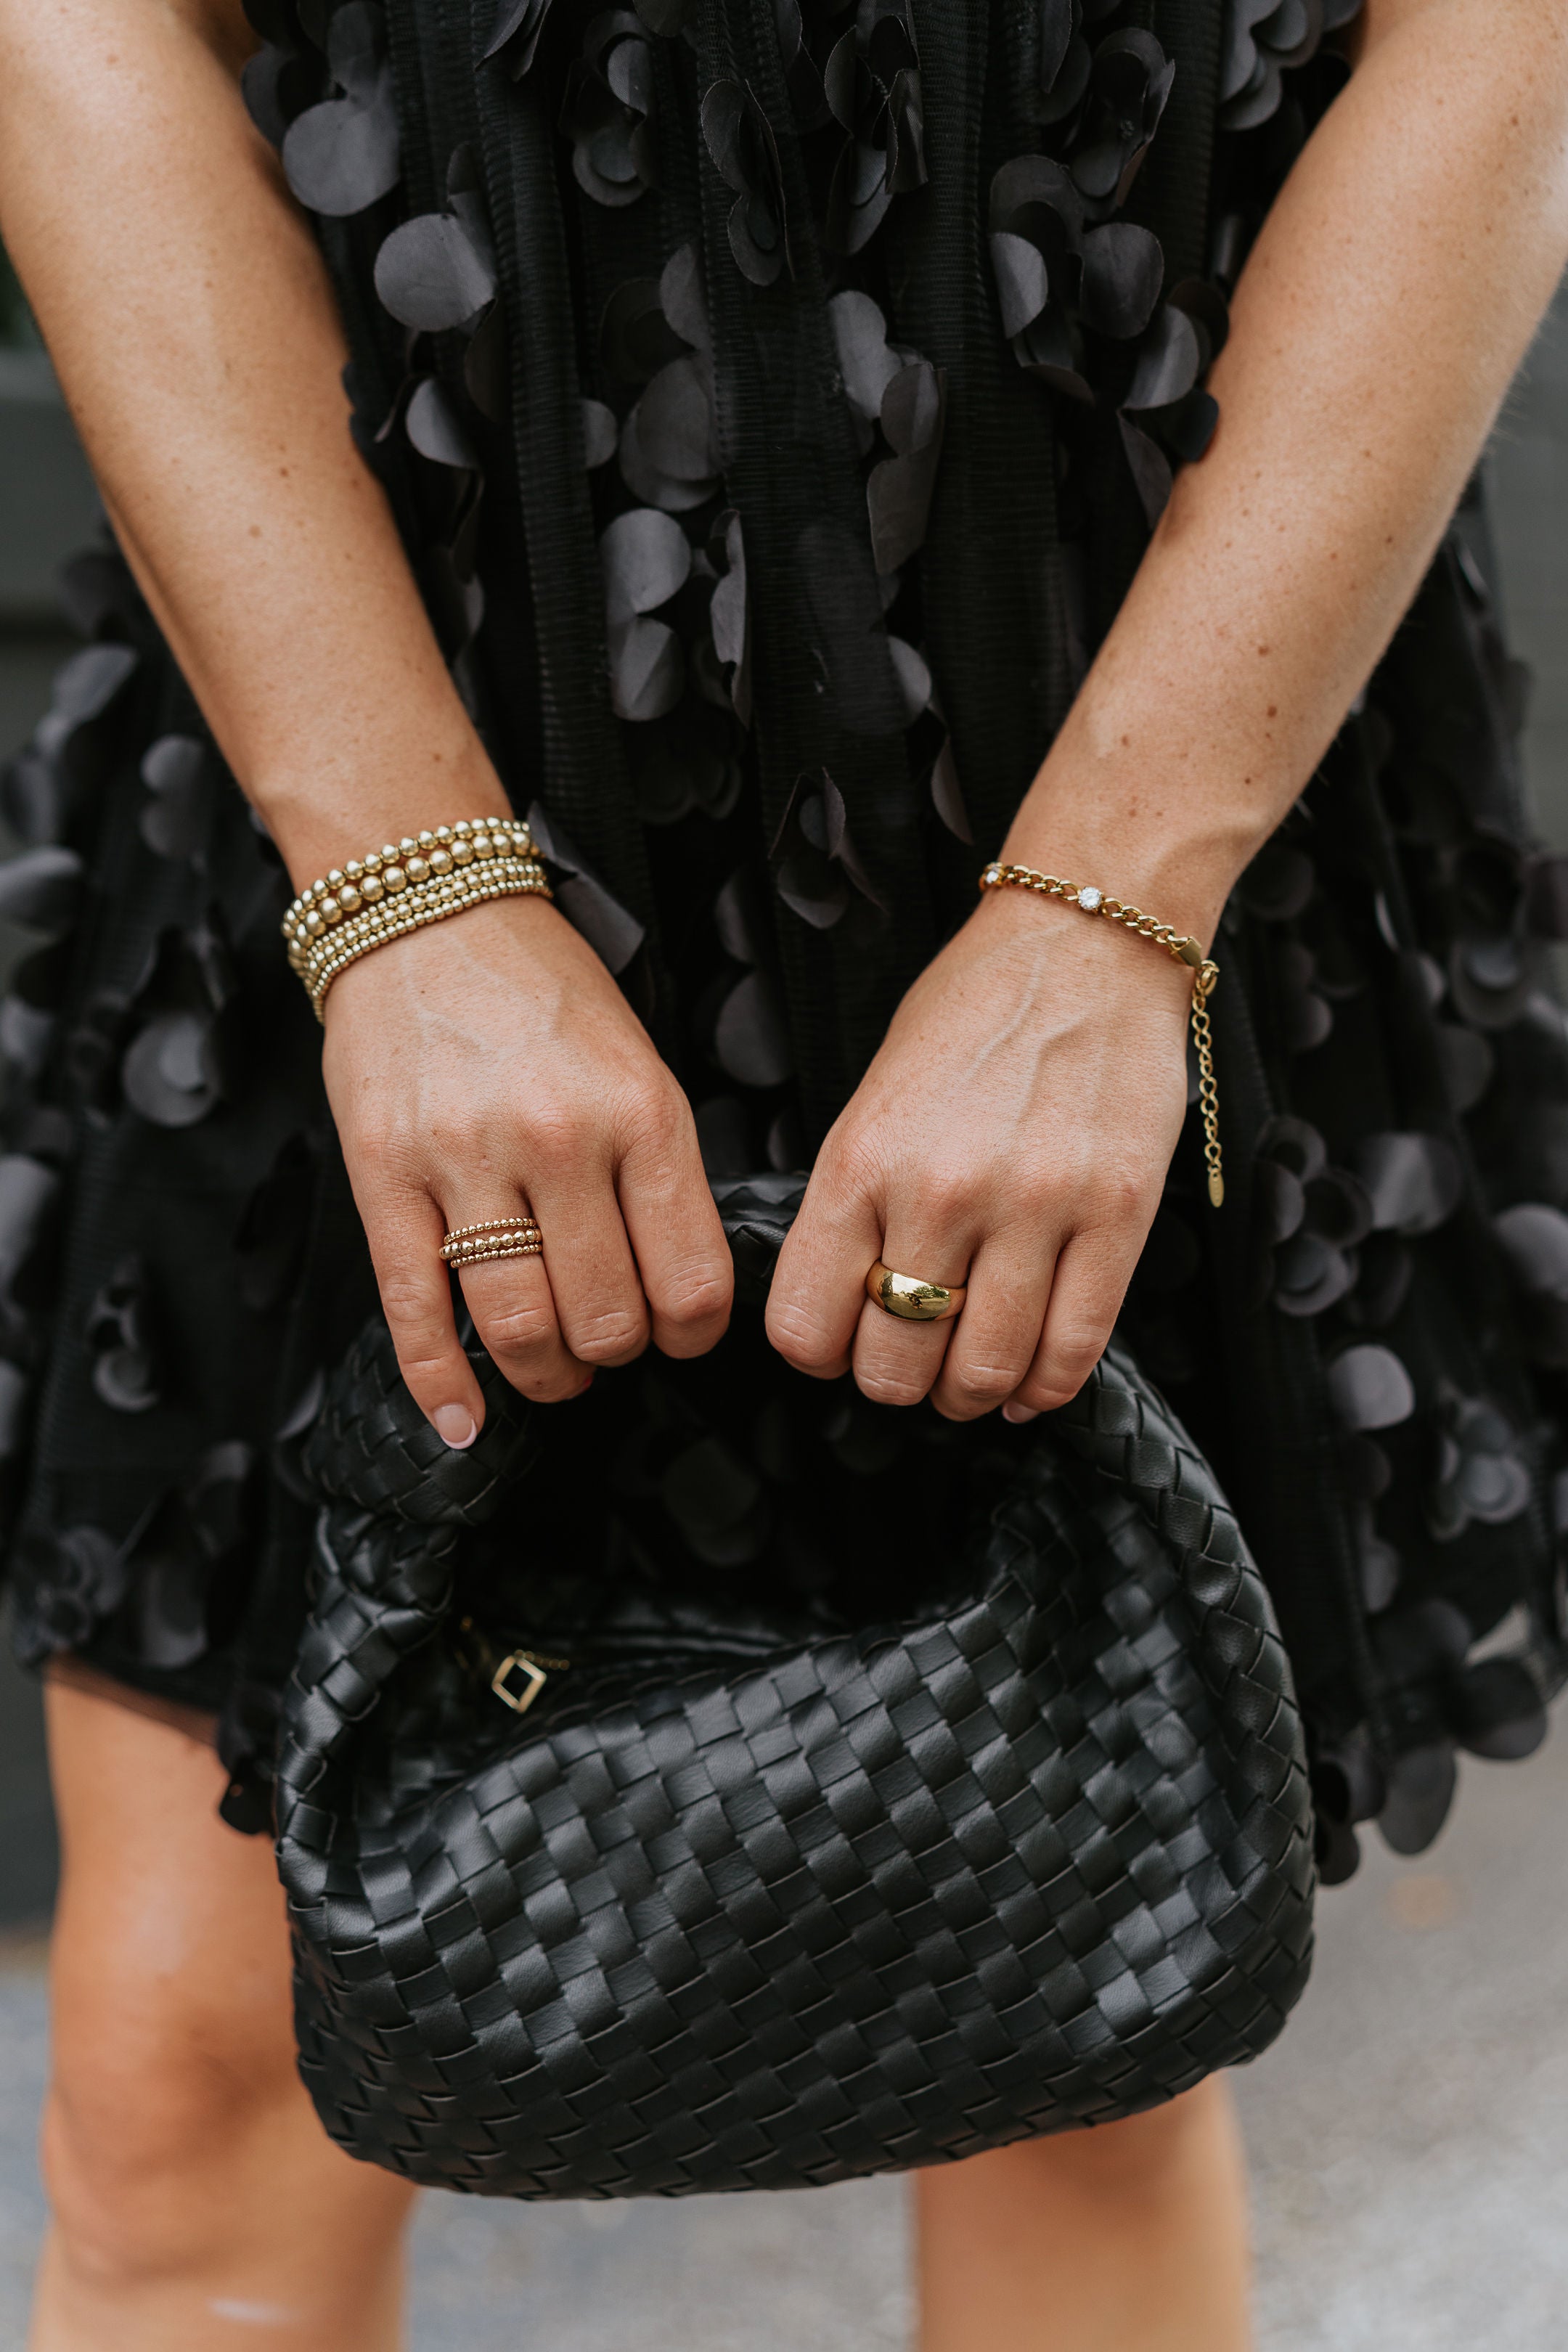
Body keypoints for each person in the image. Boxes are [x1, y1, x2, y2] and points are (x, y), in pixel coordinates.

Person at [1, 0, 1566, 2343]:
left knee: (1080, 2025)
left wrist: (1104, 908)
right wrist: (407, 889)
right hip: (357, 661)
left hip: (1133, 699)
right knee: (191, 2079)